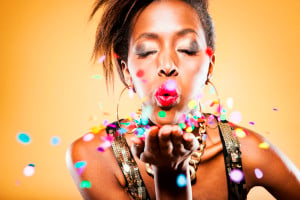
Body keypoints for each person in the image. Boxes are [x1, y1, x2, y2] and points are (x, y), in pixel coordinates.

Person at [66, 0, 300, 199]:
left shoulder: (246, 150)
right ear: (127, 71)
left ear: (209, 67)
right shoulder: (94, 156)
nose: (167, 66)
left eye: (187, 49)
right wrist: (169, 172)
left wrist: (171, 170)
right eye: (147, 51)